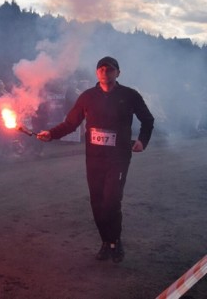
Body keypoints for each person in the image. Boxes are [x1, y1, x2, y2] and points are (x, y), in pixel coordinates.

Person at [37, 56, 154, 263]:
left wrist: (142, 141)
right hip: (94, 158)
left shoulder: (130, 95)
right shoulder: (87, 97)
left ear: (118, 73)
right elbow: (70, 123)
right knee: (97, 203)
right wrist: (51, 134)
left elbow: (148, 119)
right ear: (96, 73)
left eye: (109, 69)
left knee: (111, 202)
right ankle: (105, 242)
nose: (105, 72)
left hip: (118, 158)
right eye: (101, 69)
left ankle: (115, 242)